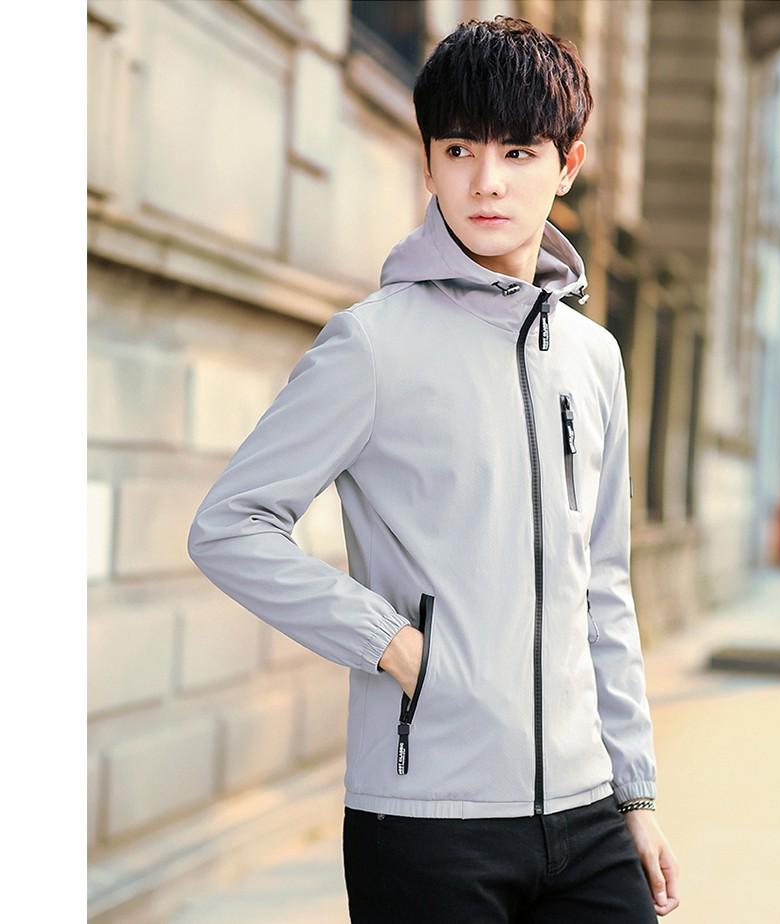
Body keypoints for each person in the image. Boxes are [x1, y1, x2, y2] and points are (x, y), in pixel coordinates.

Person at [187, 15, 680, 923]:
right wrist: (390, 641)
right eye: (459, 150)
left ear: (567, 165)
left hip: (587, 818)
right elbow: (229, 525)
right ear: (428, 165)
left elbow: (603, 584)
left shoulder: (594, 358)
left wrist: (635, 793)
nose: (486, 181)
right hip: (429, 823)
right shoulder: (372, 346)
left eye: (518, 153)